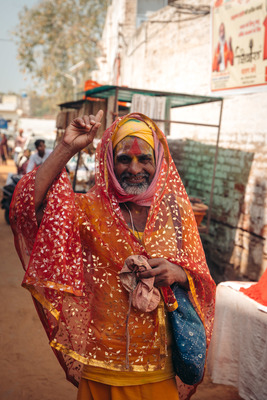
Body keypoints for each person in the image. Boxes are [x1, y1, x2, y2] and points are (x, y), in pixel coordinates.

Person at [10, 111, 216, 400]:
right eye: (124, 158)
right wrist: (67, 148)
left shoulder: (175, 214)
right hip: (103, 370)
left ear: (158, 161)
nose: (134, 168)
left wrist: (177, 273)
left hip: (160, 369)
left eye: (144, 158)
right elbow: (26, 210)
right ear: (109, 161)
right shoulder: (88, 211)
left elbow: (202, 280)